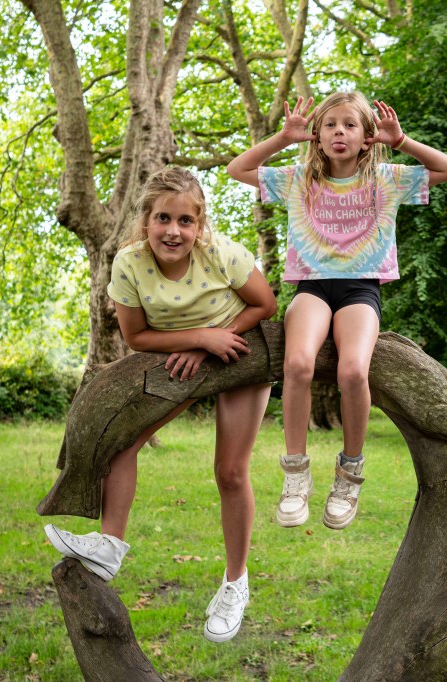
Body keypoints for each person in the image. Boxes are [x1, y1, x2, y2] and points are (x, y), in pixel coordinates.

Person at [43, 167, 276, 643]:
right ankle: (109, 546)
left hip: (239, 354)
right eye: (164, 219)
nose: (175, 230)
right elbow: (135, 336)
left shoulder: (220, 254)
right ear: (146, 221)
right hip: (181, 357)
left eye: (186, 221)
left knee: (230, 471)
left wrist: (214, 341)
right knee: (121, 444)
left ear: (199, 223)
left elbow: (265, 305)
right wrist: (195, 340)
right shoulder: (128, 264)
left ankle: (235, 583)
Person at [227, 92, 447, 530]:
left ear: (367, 136)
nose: (339, 132)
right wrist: (283, 136)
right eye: (330, 124)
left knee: (353, 370)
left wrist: (402, 140)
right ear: (316, 135)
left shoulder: (387, 179)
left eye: (350, 125)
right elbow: (237, 170)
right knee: (297, 364)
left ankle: (349, 474)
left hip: (360, 289)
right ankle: (296, 475)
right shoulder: (299, 179)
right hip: (312, 288)